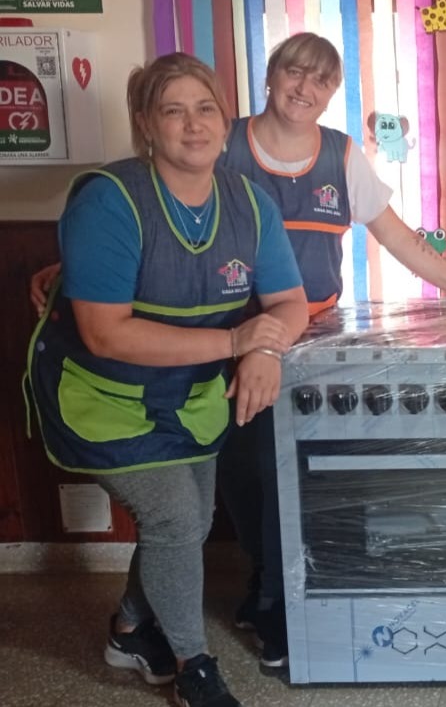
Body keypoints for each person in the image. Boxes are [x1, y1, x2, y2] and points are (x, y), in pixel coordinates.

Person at [30, 33, 446, 670]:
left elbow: (395, 236)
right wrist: (73, 270)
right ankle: (262, 600)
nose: (304, 89)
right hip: (217, 349)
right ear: (269, 76)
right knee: (240, 485)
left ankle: (270, 601)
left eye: (321, 80)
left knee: (289, 480)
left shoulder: (338, 155)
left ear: (333, 92)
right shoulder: (217, 140)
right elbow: (143, 224)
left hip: (297, 337)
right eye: (293, 72)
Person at [23, 53, 309, 707]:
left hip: (188, 396)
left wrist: (265, 351)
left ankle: (129, 629)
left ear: (225, 122)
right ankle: (193, 667)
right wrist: (236, 342)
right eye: (173, 110)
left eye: (205, 108)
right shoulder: (110, 200)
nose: (193, 124)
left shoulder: (250, 203)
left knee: (188, 521)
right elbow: (104, 333)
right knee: (177, 516)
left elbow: (290, 301)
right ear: (146, 124)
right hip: (102, 398)